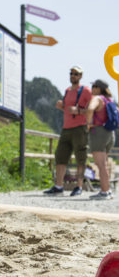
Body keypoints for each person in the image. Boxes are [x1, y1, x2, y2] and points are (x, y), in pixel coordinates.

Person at [44, 65, 92, 196]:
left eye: (76, 74)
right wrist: (62, 106)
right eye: (71, 73)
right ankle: (58, 186)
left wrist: (79, 111)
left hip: (80, 128)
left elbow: (93, 109)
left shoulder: (86, 91)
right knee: (60, 157)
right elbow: (68, 108)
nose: (73, 76)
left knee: (80, 158)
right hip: (66, 128)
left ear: (81, 76)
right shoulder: (67, 90)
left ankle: (79, 186)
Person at [86, 79, 116, 200]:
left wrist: (88, 123)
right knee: (104, 164)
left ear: (98, 88)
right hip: (110, 134)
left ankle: (104, 191)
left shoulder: (97, 99)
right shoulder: (110, 100)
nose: (92, 88)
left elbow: (90, 109)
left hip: (98, 133)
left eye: (93, 86)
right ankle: (107, 191)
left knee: (101, 165)